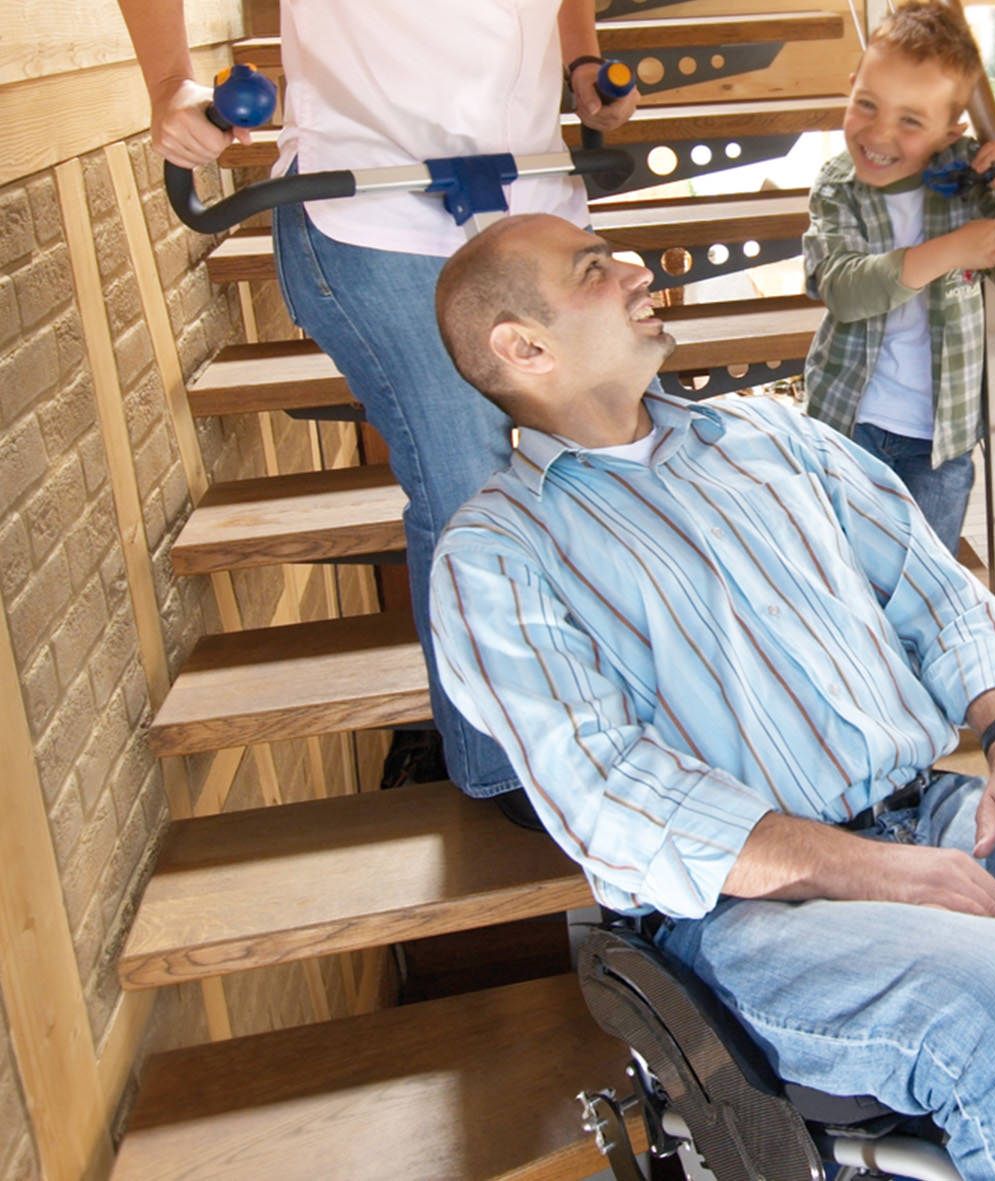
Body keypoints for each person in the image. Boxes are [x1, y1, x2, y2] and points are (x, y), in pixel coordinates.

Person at [425, 213, 995, 1181]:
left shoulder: (769, 434)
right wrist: (869, 870)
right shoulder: (497, 554)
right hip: (753, 919)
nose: (639, 271)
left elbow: (931, 586)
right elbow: (608, 795)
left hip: (939, 816)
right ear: (522, 346)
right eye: (594, 270)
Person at [116, 0, 640, 814]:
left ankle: (622, 713)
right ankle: (504, 767)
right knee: (467, 475)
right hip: (371, 204)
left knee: (608, 463)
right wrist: (170, 82)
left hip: (530, 192)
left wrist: (580, 64)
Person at [801, 1, 995, 553]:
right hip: (848, 426)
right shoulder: (837, 187)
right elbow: (845, 290)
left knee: (926, 585)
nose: (879, 134)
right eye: (867, 105)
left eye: (911, 120)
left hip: (939, 445)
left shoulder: (972, 184)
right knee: (842, 579)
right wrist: (954, 250)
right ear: (852, 86)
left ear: (951, 131)